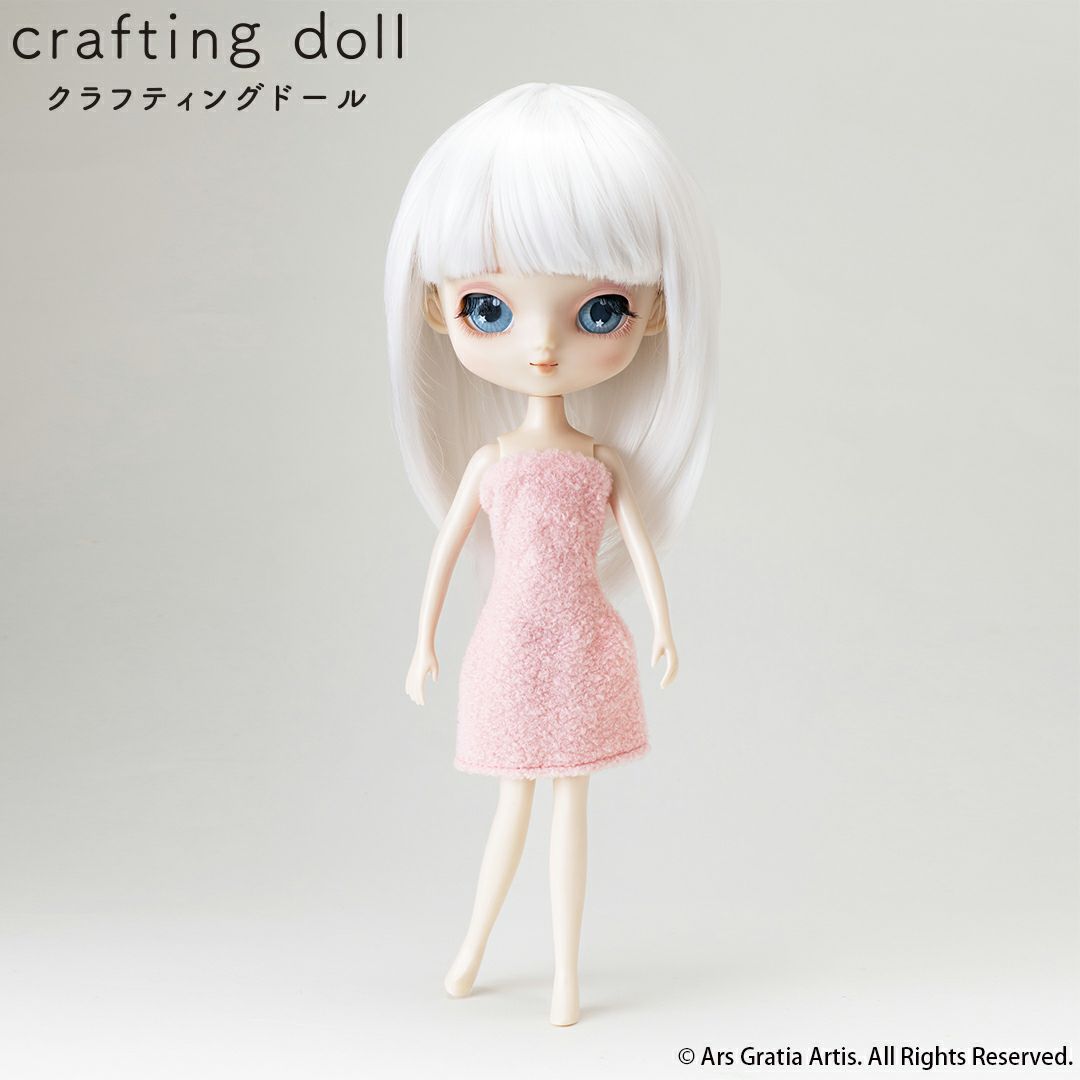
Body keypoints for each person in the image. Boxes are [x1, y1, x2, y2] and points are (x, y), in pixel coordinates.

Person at [384, 82, 721, 1026]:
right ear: (436, 309)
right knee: (513, 804)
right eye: (488, 309)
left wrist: (662, 628)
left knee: (570, 806)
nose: (540, 346)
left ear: (656, 313)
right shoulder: (491, 463)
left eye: (599, 310)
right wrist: (423, 642)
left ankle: (566, 975)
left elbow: (640, 553)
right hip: (508, 648)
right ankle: (473, 949)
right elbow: (448, 555)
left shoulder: (602, 465)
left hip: (585, 647)